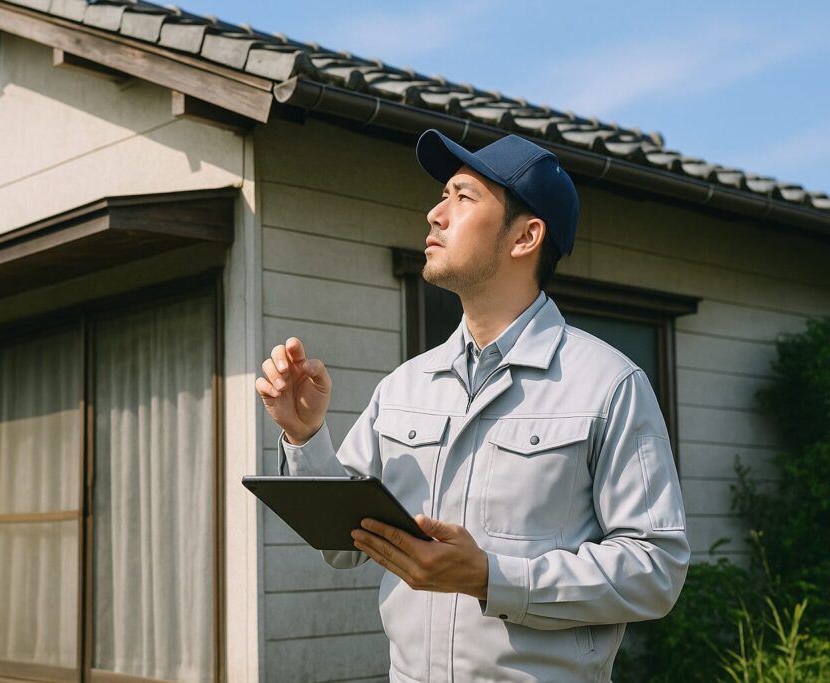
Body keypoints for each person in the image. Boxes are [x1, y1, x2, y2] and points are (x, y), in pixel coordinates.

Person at [255, 128, 689, 682]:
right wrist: (305, 437)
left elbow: (656, 570)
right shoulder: (406, 386)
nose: (435, 214)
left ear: (526, 236)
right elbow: (345, 547)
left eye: (463, 197)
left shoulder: (608, 384)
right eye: (442, 196)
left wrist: (492, 577)